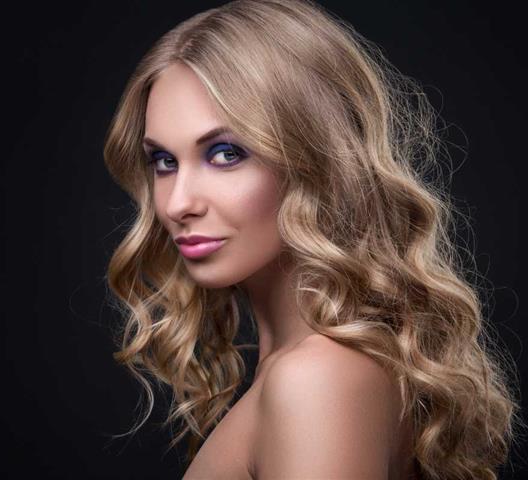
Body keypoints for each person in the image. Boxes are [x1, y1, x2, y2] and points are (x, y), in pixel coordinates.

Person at [102, 0, 520, 478]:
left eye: (225, 153)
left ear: (317, 158)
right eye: (164, 162)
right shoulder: (316, 368)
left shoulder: (315, 379)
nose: (178, 203)